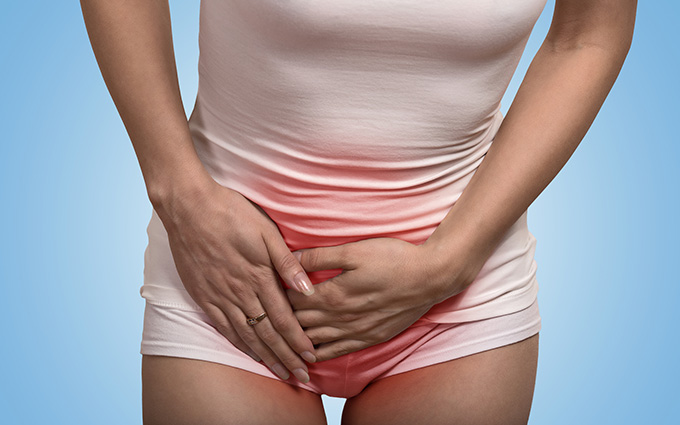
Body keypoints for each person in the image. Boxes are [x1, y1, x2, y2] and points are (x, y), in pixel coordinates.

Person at [80, 0, 636, 424]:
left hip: (454, 294)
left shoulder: (453, 272)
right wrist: (181, 196)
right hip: (229, 283)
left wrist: (450, 261)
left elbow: (587, 37)